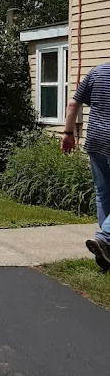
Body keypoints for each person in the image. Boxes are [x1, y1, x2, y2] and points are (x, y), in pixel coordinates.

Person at [62, 61, 110, 270]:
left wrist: (68, 133)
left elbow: (73, 104)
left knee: (103, 193)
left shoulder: (97, 72)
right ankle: (105, 238)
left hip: (96, 141)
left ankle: (106, 248)